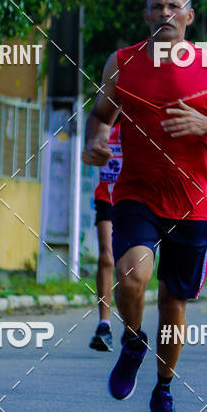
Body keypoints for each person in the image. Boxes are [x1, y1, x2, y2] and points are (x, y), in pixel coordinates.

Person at [83, 0, 207, 412]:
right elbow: (101, 115)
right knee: (131, 273)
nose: (165, 13)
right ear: (146, 16)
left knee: (174, 303)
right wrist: (96, 141)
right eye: (156, 6)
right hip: (136, 193)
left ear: (189, 16)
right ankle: (132, 341)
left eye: (173, 6)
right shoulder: (122, 63)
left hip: (191, 203)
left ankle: (163, 391)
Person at [88, 118, 122, 352]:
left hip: (133, 199)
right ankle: (104, 325)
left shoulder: (137, 122)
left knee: (128, 267)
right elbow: (87, 155)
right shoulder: (101, 123)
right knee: (107, 257)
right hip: (106, 197)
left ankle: (132, 327)